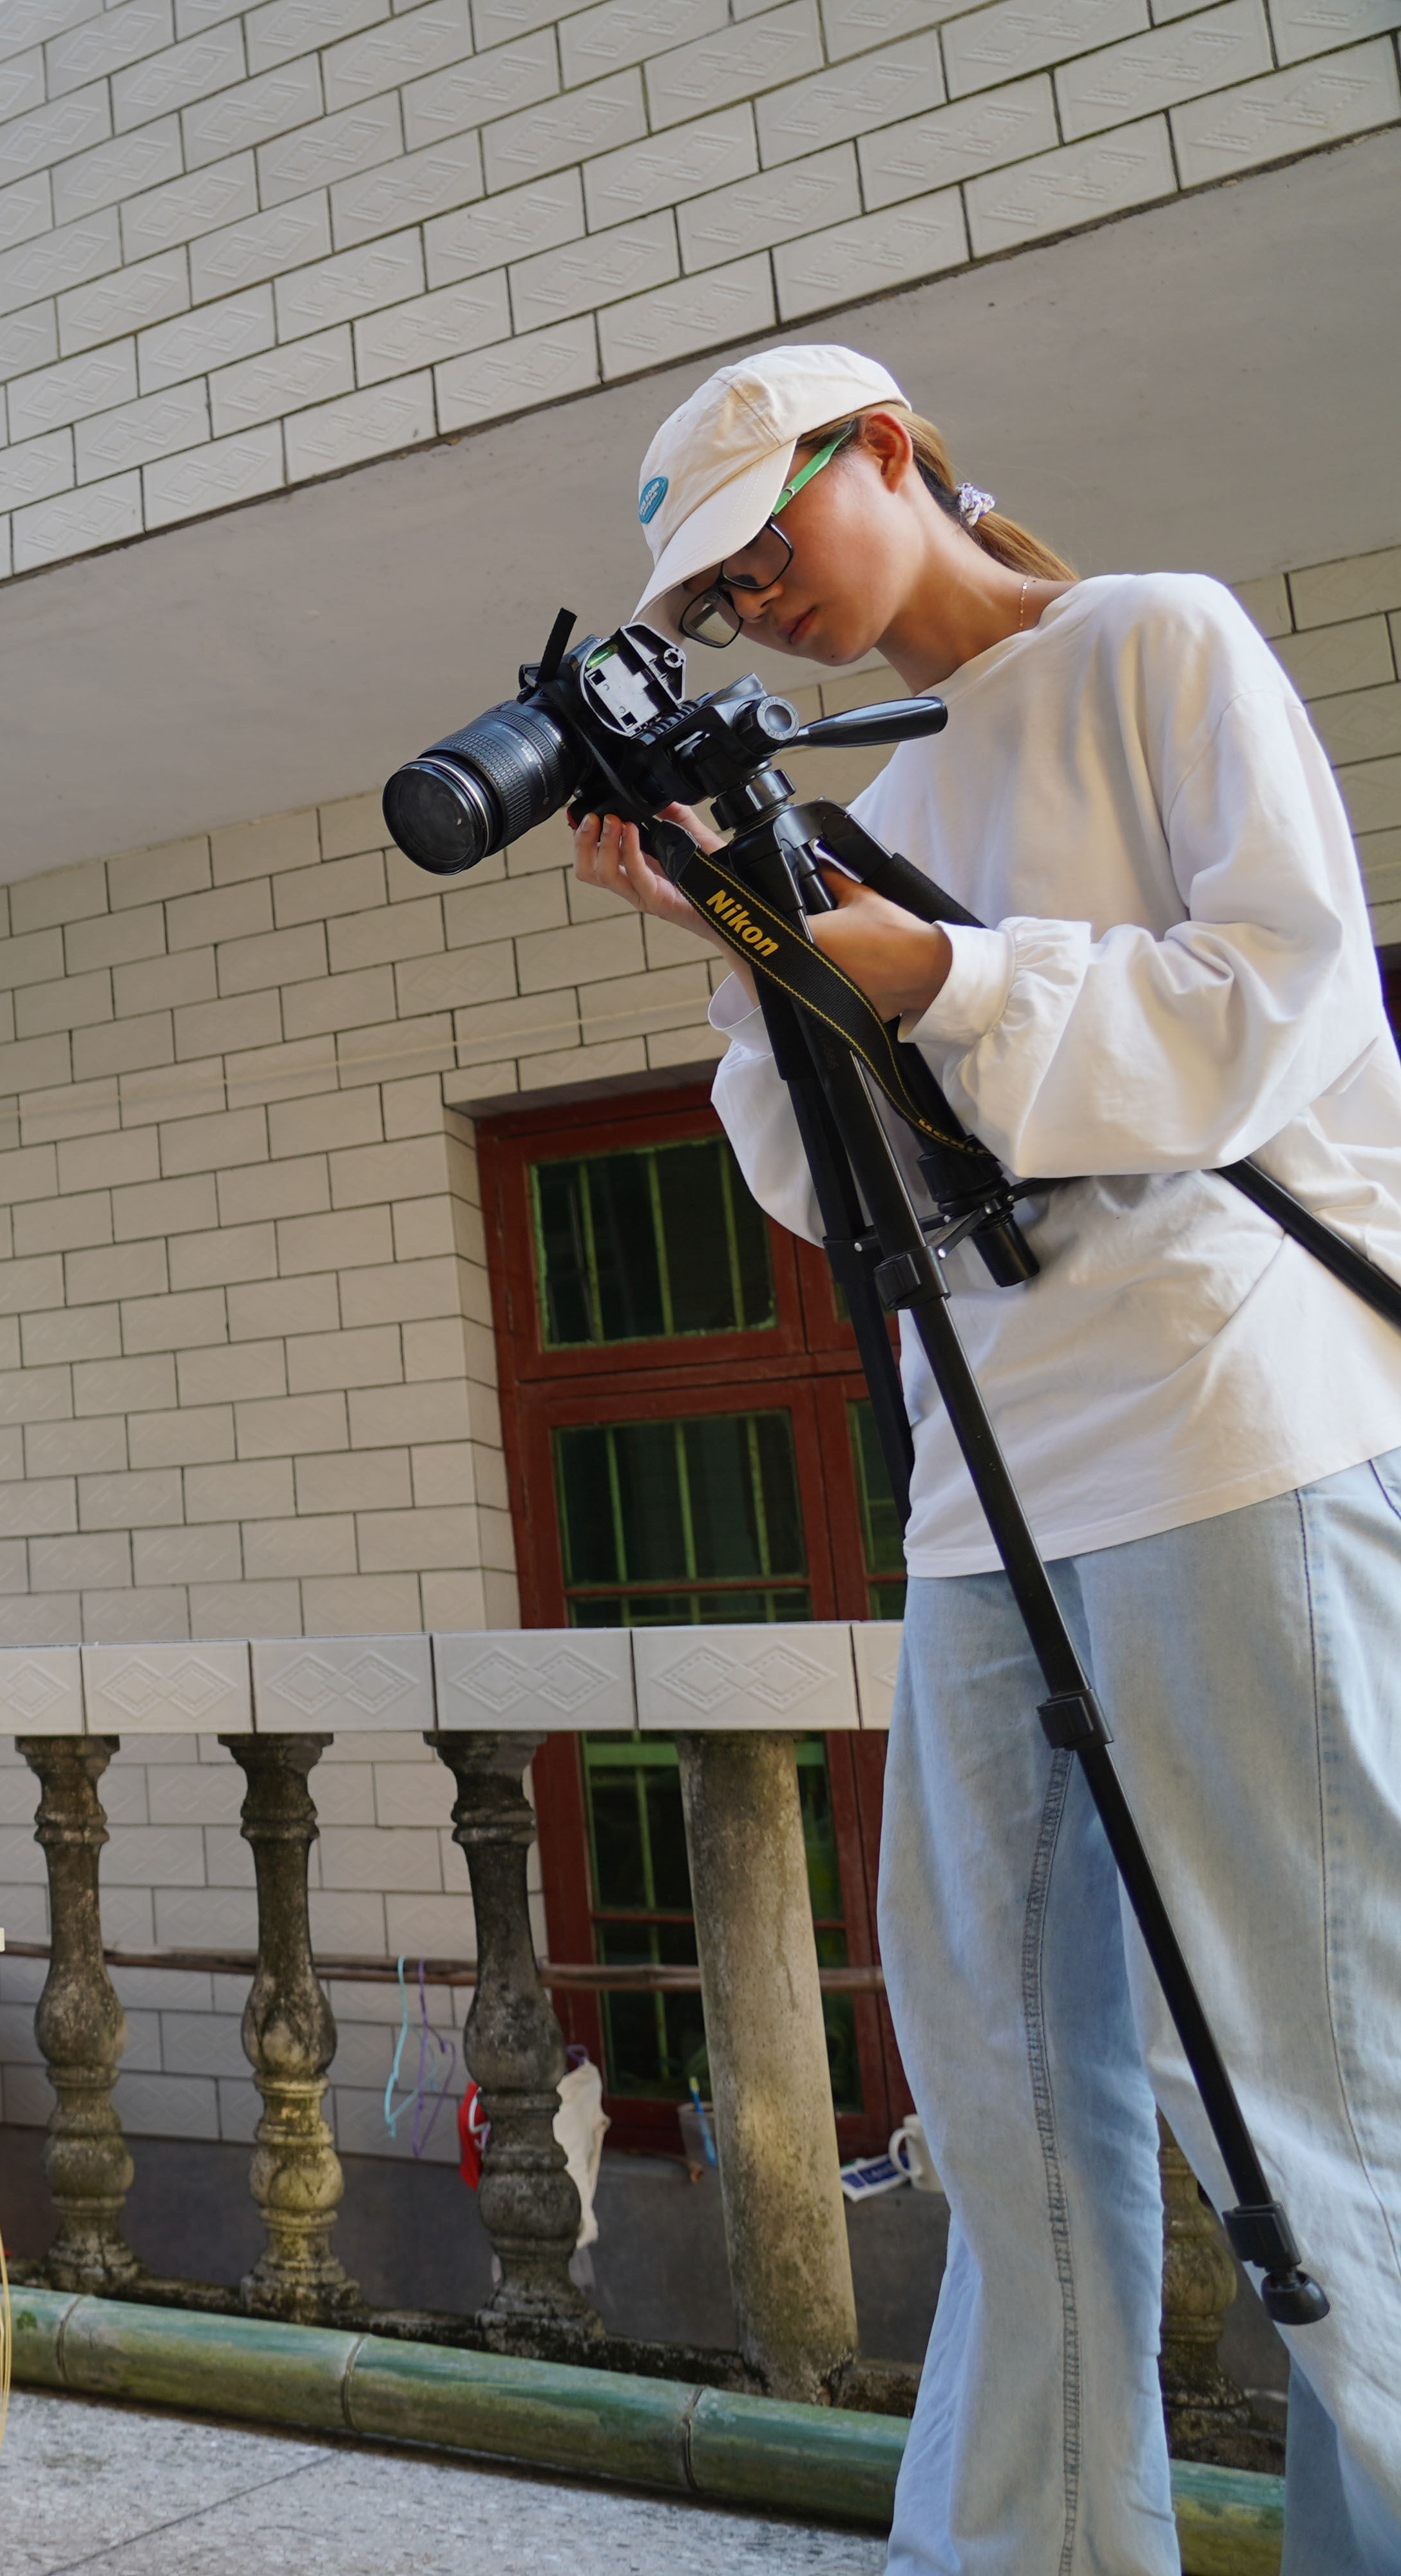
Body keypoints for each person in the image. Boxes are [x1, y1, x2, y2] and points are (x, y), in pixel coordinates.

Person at [577, 343, 1401, 2569]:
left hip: (1235, 1426)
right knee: (1007, 2097)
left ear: (891, 448)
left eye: (766, 540)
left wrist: (932, 971)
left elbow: (1282, 1002)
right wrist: (740, 940)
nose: (755, 599)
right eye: (717, 593)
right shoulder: (812, 796)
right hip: (987, 1491)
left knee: (1323, 2093)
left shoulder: (1152, 643)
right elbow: (810, 1178)